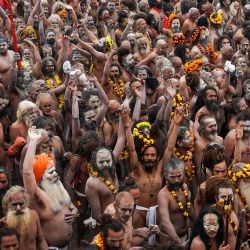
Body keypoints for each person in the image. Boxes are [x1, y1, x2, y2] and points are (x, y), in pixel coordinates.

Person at [22, 127, 77, 249]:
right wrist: (32, 142)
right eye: (50, 172)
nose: (55, 174)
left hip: (67, 245)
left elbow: (71, 206)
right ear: (40, 178)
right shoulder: (35, 194)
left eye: (54, 171)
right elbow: (27, 172)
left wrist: (74, 212)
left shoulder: (56, 184)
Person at [158, 158, 195, 248]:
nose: (177, 180)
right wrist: (178, 242)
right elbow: (165, 222)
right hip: (170, 240)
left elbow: (190, 210)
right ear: (166, 176)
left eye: (179, 176)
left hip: (186, 236)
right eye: (173, 177)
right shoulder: (163, 195)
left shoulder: (184, 187)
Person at [2, 185, 48, 250]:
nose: (18, 208)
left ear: (26, 203)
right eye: (14, 204)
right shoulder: (4, 223)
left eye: (21, 204)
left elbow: (41, 240)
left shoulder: (34, 215)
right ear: (8, 205)